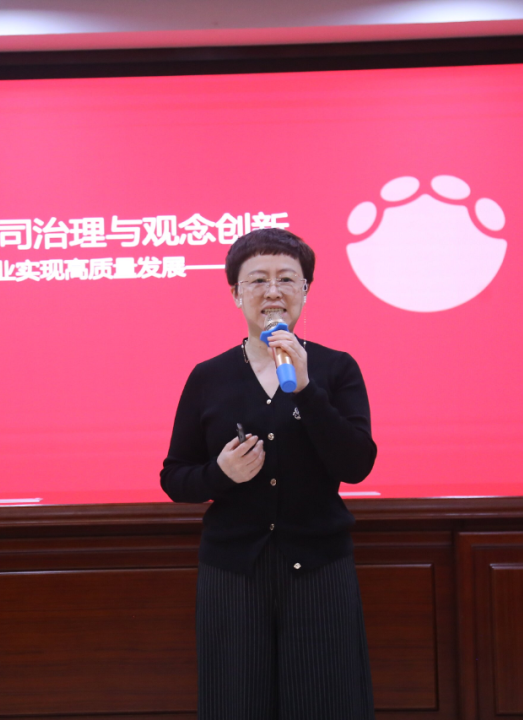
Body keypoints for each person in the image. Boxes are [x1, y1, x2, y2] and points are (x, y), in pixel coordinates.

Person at [160, 227, 378, 720]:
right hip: (234, 571)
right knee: (237, 704)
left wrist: (305, 390)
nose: (273, 291)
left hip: (318, 567)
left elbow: (357, 465)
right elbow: (175, 477)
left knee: (324, 703)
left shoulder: (335, 369)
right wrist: (220, 473)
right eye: (258, 280)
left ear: (306, 290)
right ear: (236, 293)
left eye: (287, 279)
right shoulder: (208, 376)